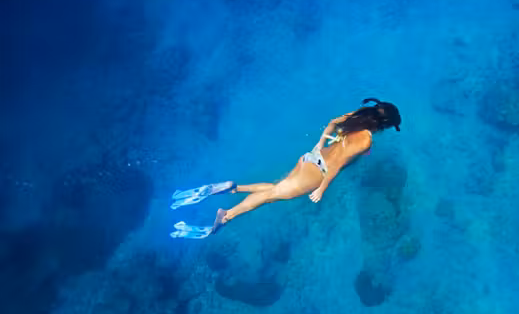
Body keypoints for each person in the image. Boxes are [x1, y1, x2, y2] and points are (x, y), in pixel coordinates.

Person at [168, 98, 401, 239]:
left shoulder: (359, 116)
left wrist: (319, 144)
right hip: (318, 173)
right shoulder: (366, 140)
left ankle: (235, 189)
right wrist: (322, 190)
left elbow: (332, 122)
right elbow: (338, 164)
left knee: (275, 189)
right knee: (272, 194)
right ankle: (226, 216)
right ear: (384, 125)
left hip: (311, 157)